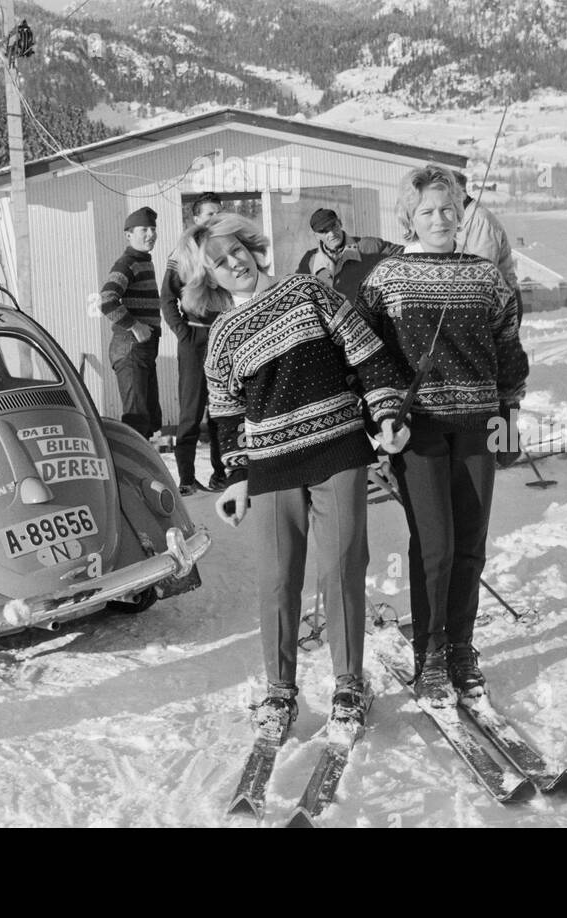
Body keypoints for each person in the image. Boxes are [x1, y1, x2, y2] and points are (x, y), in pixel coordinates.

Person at [179, 213, 410, 743]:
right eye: (218, 262)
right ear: (207, 278)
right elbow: (227, 415)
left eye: (237, 249)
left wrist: (388, 415)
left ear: (252, 247)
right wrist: (236, 477)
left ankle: (349, 685)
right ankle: (280, 691)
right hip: (273, 467)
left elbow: (369, 358)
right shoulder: (221, 336)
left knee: (343, 568)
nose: (234, 262)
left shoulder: (310, 292)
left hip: (338, 450)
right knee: (278, 580)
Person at [357, 164, 529, 708]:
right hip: (418, 432)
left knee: (471, 545)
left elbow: (508, 353)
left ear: (462, 212)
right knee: (435, 545)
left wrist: (509, 420)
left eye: (449, 208)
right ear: (409, 217)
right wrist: (378, 424)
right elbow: (367, 359)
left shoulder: (486, 277)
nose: (440, 218)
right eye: (428, 210)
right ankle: (430, 655)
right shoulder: (385, 280)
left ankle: (461, 647)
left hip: (479, 426)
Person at [159, 192, 227, 496]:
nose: (214, 219)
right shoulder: (183, 251)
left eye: (218, 213)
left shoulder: (229, 247)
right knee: (191, 411)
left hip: (224, 336)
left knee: (223, 409)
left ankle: (221, 474)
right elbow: (167, 296)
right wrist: (182, 333)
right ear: (196, 219)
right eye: (208, 214)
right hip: (195, 337)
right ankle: (186, 479)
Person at [98, 206, 163, 439]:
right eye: (144, 229)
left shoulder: (144, 261)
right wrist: (135, 326)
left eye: (153, 229)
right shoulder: (127, 263)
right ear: (128, 235)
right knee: (137, 422)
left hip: (143, 350)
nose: (150, 234)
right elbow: (107, 301)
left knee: (149, 420)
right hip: (130, 348)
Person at [451, 170, 523, 319]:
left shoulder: (479, 220)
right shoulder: (459, 219)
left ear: (460, 194)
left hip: (500, 306)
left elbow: (482, 275)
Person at [297, 206, 392, 301]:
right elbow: (299, 292)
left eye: (333, 226)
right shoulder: (310, 260)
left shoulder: (369, 246)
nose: (332, 234)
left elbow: (403, 254)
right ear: (317, 236)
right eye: (324, 231)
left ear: (340, 223)